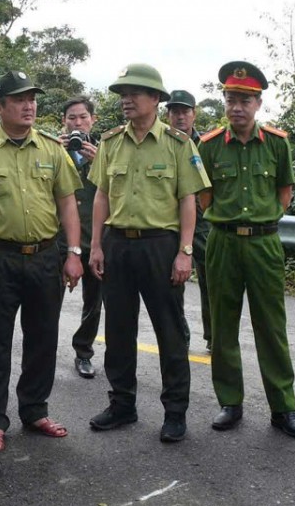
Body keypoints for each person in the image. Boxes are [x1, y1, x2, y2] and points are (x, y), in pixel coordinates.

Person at [0, 70, 83, 453]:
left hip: (44, 257)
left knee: (43, 337)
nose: (29, 106)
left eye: (32, 99)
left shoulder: (53, 148)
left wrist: (74, 253)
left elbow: (68, 203)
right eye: (19, 99)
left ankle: (35, 410)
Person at [87, 63, 210, 443]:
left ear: (155, 99)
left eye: (135, 92)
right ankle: (122, 404)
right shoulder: (110, 143)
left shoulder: (178, 143)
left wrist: (185, 251)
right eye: (123, 93)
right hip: (118, 244)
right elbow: (102, 196)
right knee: (118, 330)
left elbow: (189, 200)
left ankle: (175, 412)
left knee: (170, 333)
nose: (126, 99)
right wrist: (95, 245)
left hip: (161, 245)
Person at [198, 61, 295, 439]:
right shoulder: (209, 145)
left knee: (271, 327)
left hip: (263, 243)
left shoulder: (278, 143)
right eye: (230, 99)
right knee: (222, 325)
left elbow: (284, 192)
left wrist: (263, 221)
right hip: (223, 242)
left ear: (258, 103)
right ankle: (230, 402)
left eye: (244, 100)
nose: (236, 107)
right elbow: (204, 195)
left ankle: (284, 407)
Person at [59, 96, 103, 378]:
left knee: (94, 302)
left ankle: (83, 351)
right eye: (72, 118)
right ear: (64, 121)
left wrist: (98, 163)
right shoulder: (52, 149)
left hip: (95, 240)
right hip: (59, 240)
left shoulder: (106, 150)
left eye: (83, 117)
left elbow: (116, 190)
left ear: (92, 120)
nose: (78, 123)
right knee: (48, 300)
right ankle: (40, 350)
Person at [165, 90, 212, 352]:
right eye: (174, 111)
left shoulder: (206, 144)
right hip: (173, 221)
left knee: (210, 282)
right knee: (175, 281)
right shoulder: (164, 144)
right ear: (168, 114)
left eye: (184, 111)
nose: (180, 116)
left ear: (194, 114)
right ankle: (179, 338)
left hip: (204, 223)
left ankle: (213, 336)